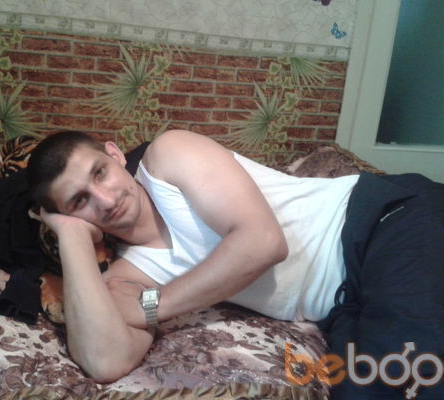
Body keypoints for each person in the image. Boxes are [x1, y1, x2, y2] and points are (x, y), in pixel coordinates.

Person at [27, 129, 443, 399]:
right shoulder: (127, 277)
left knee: (414, 372)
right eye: (79, 201)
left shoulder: (168, 156)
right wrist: (73, 238)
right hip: (343, 303)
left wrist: (155, 305)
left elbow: (263, 243)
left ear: (116, 155)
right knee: (367, 386)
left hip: (379, 223)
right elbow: (105, 361)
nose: (105, 200)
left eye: (100, 173)